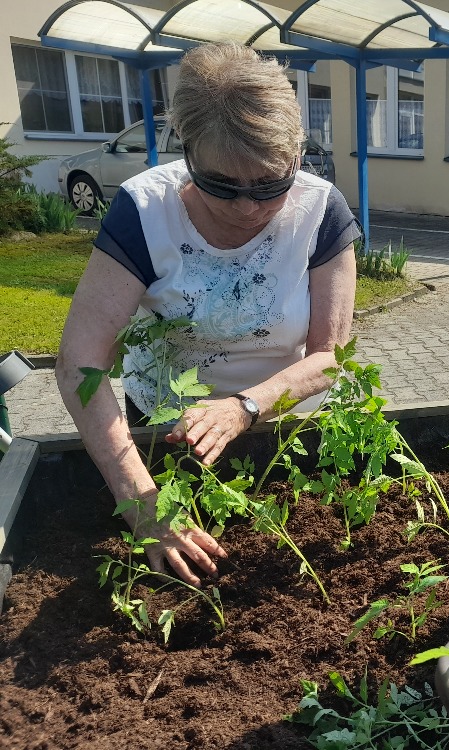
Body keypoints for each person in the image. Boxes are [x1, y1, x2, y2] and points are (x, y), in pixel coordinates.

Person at [56, 43, 360, 588]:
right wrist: (141, 502)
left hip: (284, 432)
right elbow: (80, 362)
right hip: (166, 434)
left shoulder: (320, 209)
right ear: (189, 153)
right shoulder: (144, 212)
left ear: (296, 155)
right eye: (222, 185)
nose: (248, 208)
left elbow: (330, 356)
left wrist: (247, 406)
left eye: (271, 184)